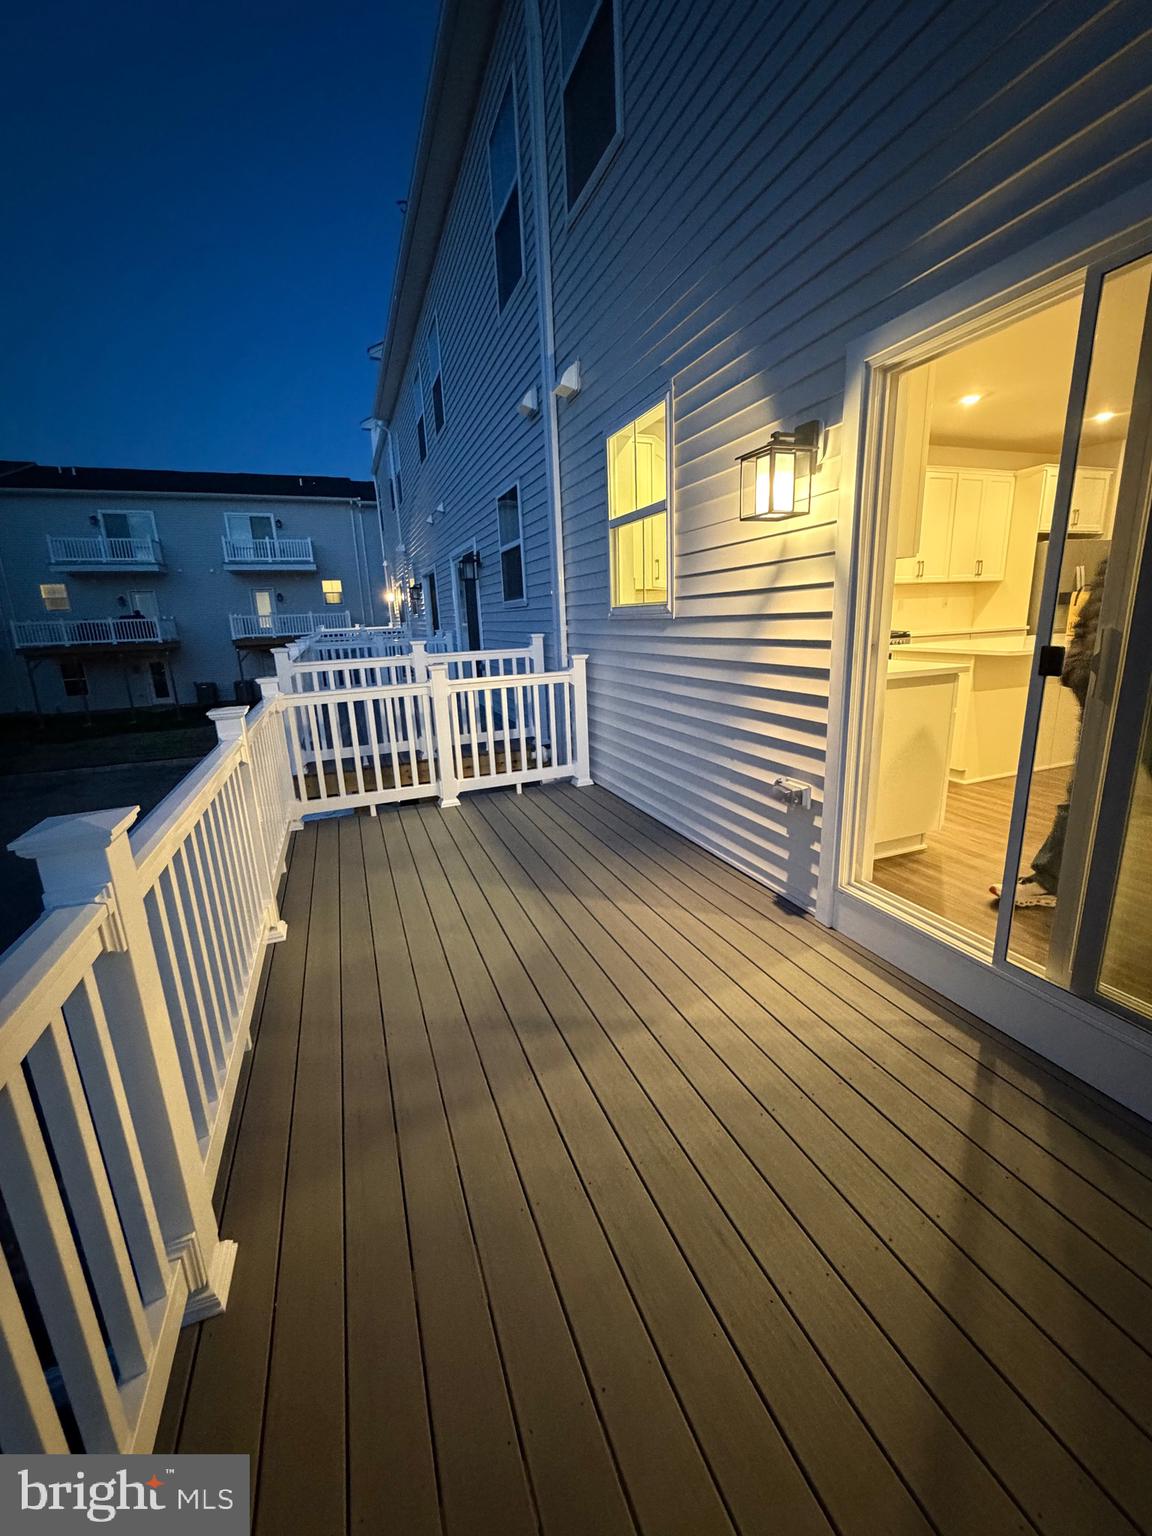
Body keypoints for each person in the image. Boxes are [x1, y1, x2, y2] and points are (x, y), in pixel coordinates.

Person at [991, 558, 1106, 909]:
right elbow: (1087, 629)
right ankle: (1050, 880)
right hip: (1100, 692)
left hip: (1107, 694)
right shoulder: (1119, 562)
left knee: (1091, 795)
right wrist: (1077, 672)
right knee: (1082, 792)